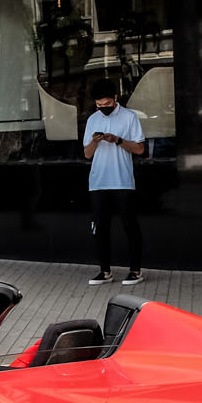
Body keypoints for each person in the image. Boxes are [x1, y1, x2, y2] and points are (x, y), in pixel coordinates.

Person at [82, 77, 145, 285]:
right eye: (99, 105)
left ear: (116, 98)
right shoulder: (92, 119)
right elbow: (87, 154)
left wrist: (117, 140)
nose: (103, 108)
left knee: (129, 226)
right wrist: (95, 141)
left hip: (122, 180)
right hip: (98, 182)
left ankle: (135, 271)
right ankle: (105, 271)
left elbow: (140, 149)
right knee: (100, 229)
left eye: (107, 104)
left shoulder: (129, 117)